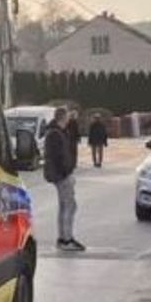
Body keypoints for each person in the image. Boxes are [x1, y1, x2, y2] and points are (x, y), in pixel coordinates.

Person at [43, 105, 85, 251]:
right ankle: (66, 240)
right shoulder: (55, 134)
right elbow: (59, 157)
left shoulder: (58, 131)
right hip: (62, 175)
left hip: (61, 174)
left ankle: (64, 238)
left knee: (66, 206)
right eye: (67, 116)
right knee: (69, 206)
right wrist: (67, 172)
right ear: (63, 117)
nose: (69, 119)